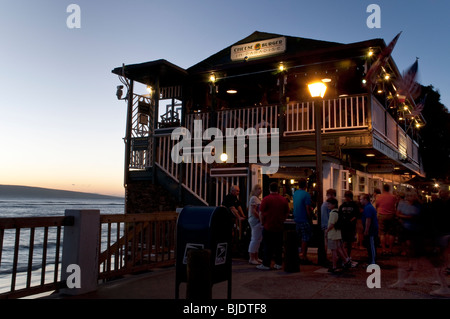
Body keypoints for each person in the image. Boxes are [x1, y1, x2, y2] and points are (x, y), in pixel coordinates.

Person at [389, 189, 422, 289]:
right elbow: (398, 213)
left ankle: (411, 277)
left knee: (413, 255)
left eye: (410, 196)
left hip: (414, 231)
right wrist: (406, 217)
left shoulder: (418, 206)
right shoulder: (402, 204)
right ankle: (401, 280)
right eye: (407, 196)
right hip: (403, 230)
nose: (408, 198)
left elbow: (416, 217)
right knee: (403, 255)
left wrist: (405, 217)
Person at [257, 182, 290, 270]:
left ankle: (266, 264)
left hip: (268, 225)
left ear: (269, 189)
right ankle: (278, 263)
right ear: (278, 189)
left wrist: (262, 222)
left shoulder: (266, 199)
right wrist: (282, 219)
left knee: (267, 245)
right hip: (279, 226)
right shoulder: (283, 199)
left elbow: (261, 213)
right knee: (278, 246)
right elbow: (287, 212)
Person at [325, 198, 352, 273]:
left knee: (334, 251)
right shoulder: (337, 212)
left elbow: (332, 224)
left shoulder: (333, 213)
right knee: (338, 249)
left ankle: (334, 266)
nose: (328, 205)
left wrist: (327, 231)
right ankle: (346, 261)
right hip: (337, 234)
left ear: (333, 204)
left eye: (329, 204)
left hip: (332, 234)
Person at [293, 178, 313, 264]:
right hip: (304, 219)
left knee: (299, 237)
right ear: (306, 185)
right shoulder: (306, 195)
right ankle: (303, 255)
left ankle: (299, 254)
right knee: (305, 238)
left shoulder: (295, 193)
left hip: (297, 218)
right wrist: (310, 217)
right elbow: (307, 208)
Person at [375, 184, 397, 255]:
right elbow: (395, 205)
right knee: (391, 233)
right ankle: (390, 250)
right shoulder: (393, 197)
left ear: (383, 189)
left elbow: (377, 205)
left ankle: (384, 250)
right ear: (389, 189)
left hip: (382, 215)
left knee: (382, 233)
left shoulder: (379, 197)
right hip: (391, 215)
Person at [338, 190, 359, 261]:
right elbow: (340, 214)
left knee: (349, 242)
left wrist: (351, 221)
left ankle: (348, 255)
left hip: (350, 226)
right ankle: (344, 255)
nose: (346, 198)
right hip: (344, 225)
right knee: (343, 241)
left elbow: (356, 215)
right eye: (346, 196)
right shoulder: (342, 205)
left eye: (348, 197)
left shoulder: (354, 205)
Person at [360, 193, 379, 265]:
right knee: (370, 245)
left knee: (371, 245)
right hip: (372, 229)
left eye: (361, 199)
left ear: (365, 199)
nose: (360, 201)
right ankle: (371, 260)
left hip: (371, 230)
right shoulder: (369, 207)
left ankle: (372, 261)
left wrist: (366, 229)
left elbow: (368, 219)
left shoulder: (368, 208)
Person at [248, 184, 263, 265]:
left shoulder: (257, 199)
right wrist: (260, 219)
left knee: (257, 240)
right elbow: (254, 211)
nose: (260, 190)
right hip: (255, 221)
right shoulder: (254, 198)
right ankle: (252, 257)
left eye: (261, 189)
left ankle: (256, 257)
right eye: (258, 189)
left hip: (256, 221)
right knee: (255, 239)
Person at [321, 189, 336, 259]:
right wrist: (327, 227)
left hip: (328, 226)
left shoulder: (326, 204)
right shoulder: (326, 205)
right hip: (327, 226)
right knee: (327, 243)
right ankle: (325, 257)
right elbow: (326, 217)